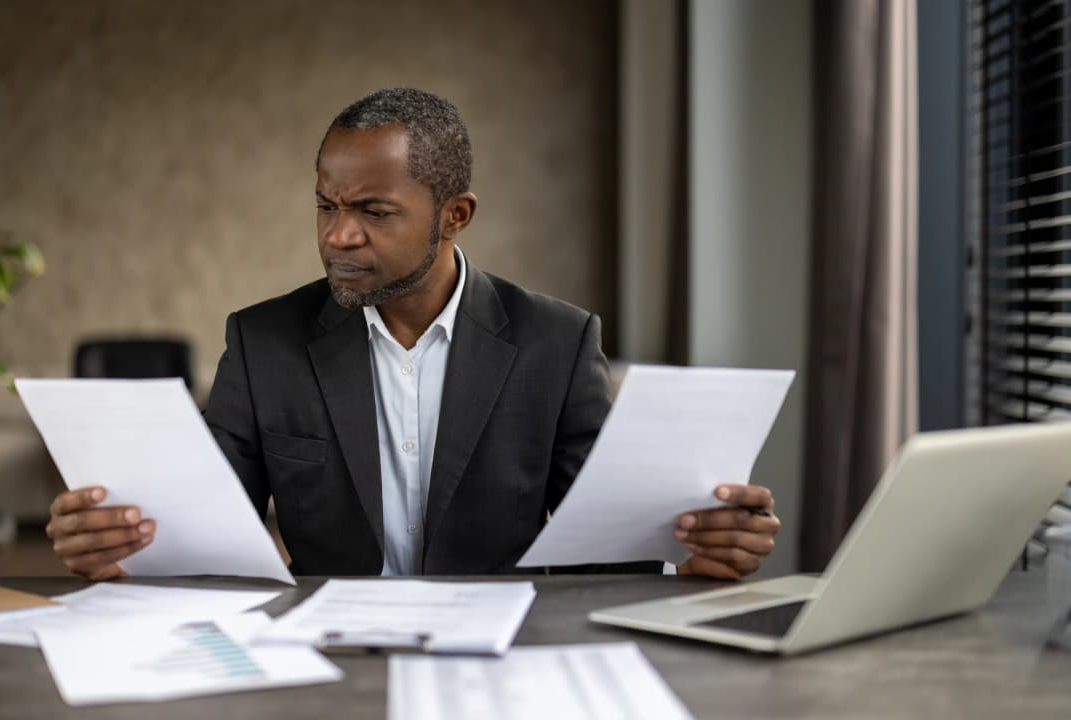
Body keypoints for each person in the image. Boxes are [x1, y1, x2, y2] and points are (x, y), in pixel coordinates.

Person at [45, 88, 780, 581]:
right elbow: (199, 529)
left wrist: (696, 550)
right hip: (326, 655)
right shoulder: (264, 341)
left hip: (502, 655)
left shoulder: (556, 343)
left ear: (455, 216)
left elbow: (610, 546)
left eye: (373, 211)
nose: (338, 235)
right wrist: (117, 543)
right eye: (326, 205)